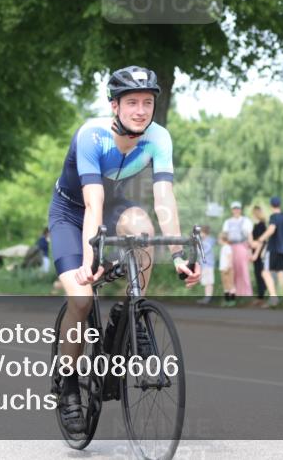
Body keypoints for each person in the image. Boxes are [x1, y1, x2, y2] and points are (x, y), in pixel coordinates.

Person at [47, 65, 200, 434]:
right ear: (114, 106)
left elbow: (164, 197)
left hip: (115, 206)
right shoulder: (91, 135)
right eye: (132, 102)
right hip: (73, 212)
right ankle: (68, 385)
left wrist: (179, 254)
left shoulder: (159, 138)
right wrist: (90, 260)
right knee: (81, 302)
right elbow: (92, 204)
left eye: (147, 102)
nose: (141, 110)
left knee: (142, 227)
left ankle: (135, 308)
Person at [255, 197, 283, 306]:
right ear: (279, 204)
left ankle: (274, 297)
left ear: (271, 205)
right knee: (280, 272)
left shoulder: (274, 216)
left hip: (273, 249)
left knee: (265, 273)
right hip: (282, 249)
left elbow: (271, 229)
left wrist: (261, 238)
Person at [222, 201, 254, 297]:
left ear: (240, 210)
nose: (236, 210)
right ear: (232, 210)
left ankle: (246, 293)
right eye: (234, 208)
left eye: (238, 208)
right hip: (231, 248)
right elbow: (224, 236)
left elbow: (249, 236)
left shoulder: (246, 221)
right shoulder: (227, 222)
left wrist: (250, 251)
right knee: (232, 270)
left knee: (243, 270)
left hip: (242, 246)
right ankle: (233, 292)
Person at [250, 205, 268, 302]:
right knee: (258, 273)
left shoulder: (261, 225)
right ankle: (261, 293)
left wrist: (256, 254)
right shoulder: (257, 225)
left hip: (260, 253)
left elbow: (261, 242)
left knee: (260, 273)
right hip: (256, 252)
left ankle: (262, 294)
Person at [197, 225, 215, 305]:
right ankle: (207, 297)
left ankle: (208, 298)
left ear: (205, 233)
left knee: (209, 282)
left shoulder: (209, 241)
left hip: (208, 265)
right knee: (206, 282)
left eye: (201, 233)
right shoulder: (202, 241)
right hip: (204, 265)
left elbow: (202, 252)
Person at [218, 231, 236, 307]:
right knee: (225, 285)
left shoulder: (227, 247)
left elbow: (230, 257)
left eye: (219, 239)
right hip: (223, 269)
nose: (218, 240)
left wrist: (227, 267)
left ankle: (232, 300)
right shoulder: (224, 247)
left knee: (230, 284)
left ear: (223, 239)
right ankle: (227, 300)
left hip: (227, 269)